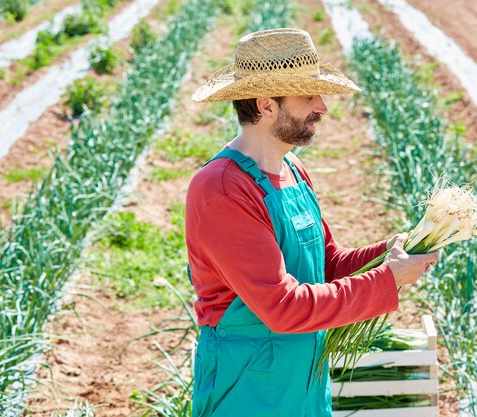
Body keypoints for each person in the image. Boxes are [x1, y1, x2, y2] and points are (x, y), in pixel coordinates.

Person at [185, 28, 439, 417]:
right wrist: (388, 280)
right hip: (248, 393)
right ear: (266, 104)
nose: (322, 106)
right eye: (308, 96)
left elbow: (326, 265)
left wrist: (386, 253)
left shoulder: (293, 170)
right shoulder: (222, 189)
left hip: (304, 384)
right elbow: (282, 306)